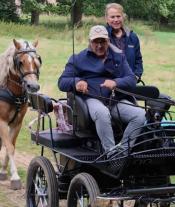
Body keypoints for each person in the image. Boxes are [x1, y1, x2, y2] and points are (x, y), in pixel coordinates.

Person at [58, 25, 146, 155]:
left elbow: (131, 79)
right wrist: (77, 82)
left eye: (103, 41)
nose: (99, 45)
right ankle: (111, 153)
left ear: (108, 41)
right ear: (90, 42)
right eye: (95, 41)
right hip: (91, 99)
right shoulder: (78, 58)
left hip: (115, 100)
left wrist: (116, 82)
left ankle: (122, 152)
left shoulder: (118, 57)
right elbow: (62, 82)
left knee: (141, 115)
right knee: (101, 112)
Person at [105, 3, 143, 82]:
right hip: (108, 83)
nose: (116, 20)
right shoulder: (102, 36)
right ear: (106, 19)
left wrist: (136, 76)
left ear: (123, 17)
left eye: (118, 16)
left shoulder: (132, 37)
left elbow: (138, 59)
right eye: (112, 17)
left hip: (129, 83)